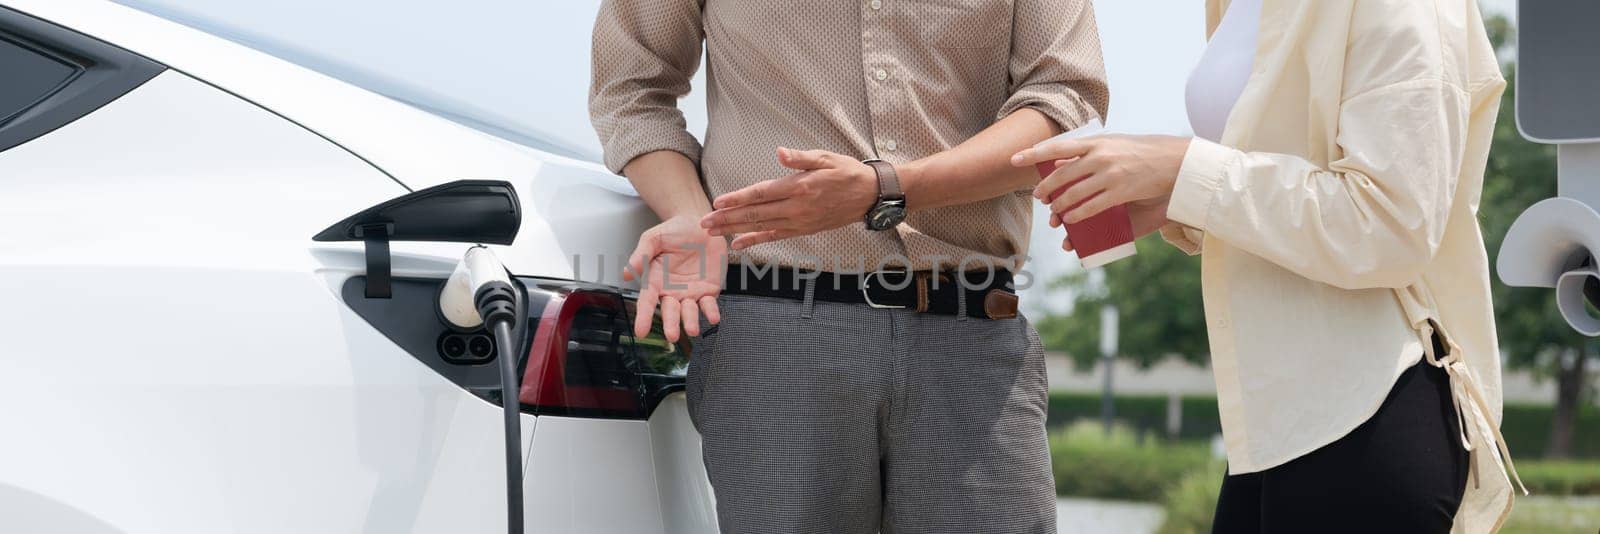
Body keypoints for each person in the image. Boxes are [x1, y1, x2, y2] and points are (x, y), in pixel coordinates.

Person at [589, 1, 1107, 532]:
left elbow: (1064, 100)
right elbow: (632, 89)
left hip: (973, 337)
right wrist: (689, 215)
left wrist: (889, 188)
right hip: (775, 336)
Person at [1011, 0, 1522, 532]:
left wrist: (1184, 170)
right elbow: (1284, 170)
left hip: (1369, 408)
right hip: (1272, 426)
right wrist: (1173, 197)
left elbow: (1392, 225)